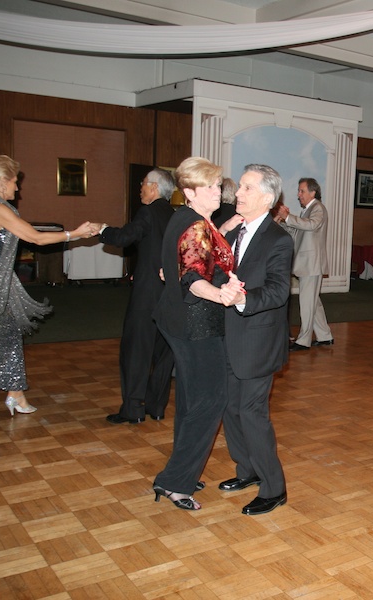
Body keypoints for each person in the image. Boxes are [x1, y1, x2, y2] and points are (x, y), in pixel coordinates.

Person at [0, 155, 98, 436]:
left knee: (11, 334)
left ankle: (15, 394)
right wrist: (75, 234)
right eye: (15, 182)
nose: (18, 188)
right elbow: (35, 238)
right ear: (3, 182)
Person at [150, 157, 239, 510]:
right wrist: (221, 294)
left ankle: (180, 475)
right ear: (189, 191)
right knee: (210, 401)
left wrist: (231, 224)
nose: (218, 191)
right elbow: (192, 277)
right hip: (197, 324)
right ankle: (175, 482)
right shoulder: (196, 228)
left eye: (218, 185)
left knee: (190, 400)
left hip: (176, 321)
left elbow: (183, 260)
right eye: (210, 187)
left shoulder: (186, 219)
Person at [218, 164, 294, 516]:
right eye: (241, 187)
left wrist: (242, 298)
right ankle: (246, 470)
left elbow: (279, 291)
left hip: (258, 341)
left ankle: (273, 487)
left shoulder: (279, 239)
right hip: (230, 336)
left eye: (247, 188)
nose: (238, 193)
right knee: (230, 408)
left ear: (266, 197)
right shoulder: (236, 232)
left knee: (251, 413)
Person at [101, 168, 176, 424]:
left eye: (143, 184)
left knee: (135, 351)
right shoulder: (173, 214)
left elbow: (124, 237)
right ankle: (156, 407)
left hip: (147, 294)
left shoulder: (148, 211)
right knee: (164, 353)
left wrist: (102, 230)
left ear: (154, 187)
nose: (140, 188)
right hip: (170, 294)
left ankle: (132, 410)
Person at [276, 177, 333, 351]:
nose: (298, 194)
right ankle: (325, 336)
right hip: (307, 264)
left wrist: (289, 217)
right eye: (299, 191)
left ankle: (303, 340)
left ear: (312, 192)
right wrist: (282, 220)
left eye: (302, 191)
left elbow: (312, 225)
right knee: (313, 302)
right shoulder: (307, 210)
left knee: (307, 303)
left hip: (311, 264)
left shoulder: (317, 208)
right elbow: (296, 232)